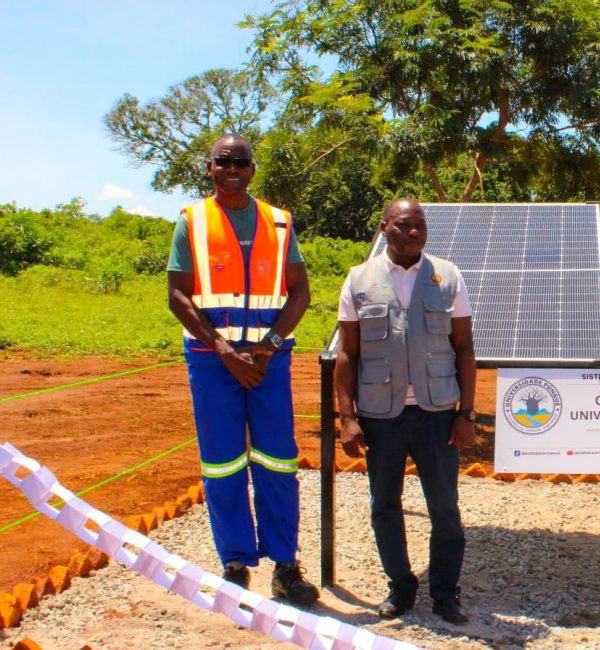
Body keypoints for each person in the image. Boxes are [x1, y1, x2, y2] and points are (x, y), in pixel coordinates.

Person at [166, 134, 320, 605]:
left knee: (277, 459)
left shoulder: (278, 222)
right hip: (213, 364)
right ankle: (234, 564)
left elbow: (300, 293)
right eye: (222, 161)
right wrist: (223, 349)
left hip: (269, 362)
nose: (232, 168)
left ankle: (285, 565)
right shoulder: (191, 222)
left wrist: (269, 347)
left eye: (241, 162)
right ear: (210, 168)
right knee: (222, 462)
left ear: (253, 170)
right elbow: (177, 294)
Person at [335, 198, 477, 625]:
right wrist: (347, 417)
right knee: (384, 504)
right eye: (403, 225)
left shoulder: (447, 276)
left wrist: (465, 413)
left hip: (436, 414)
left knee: (445, 507)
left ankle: (446, 593)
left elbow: (464, 347)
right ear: (384, 229)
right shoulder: (359, 280)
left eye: (420, 225)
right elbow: (348, 354)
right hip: (382, 416)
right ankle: (401, 587)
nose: (414, 232)